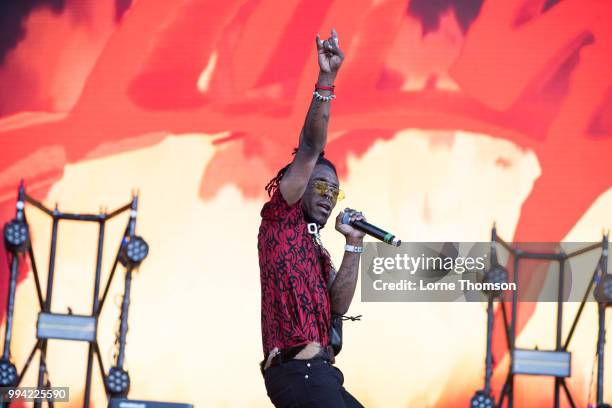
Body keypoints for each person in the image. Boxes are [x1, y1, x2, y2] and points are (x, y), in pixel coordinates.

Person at [258, 29, 365, 408]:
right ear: (297, 185)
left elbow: (339, 306)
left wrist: (354, 244)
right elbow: (310, 146)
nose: (328, 196)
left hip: (323, 373)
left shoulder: (315, 248)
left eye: (334, 191)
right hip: (298, 373)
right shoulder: (280, 217)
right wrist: (327, 80)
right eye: (320, 186)